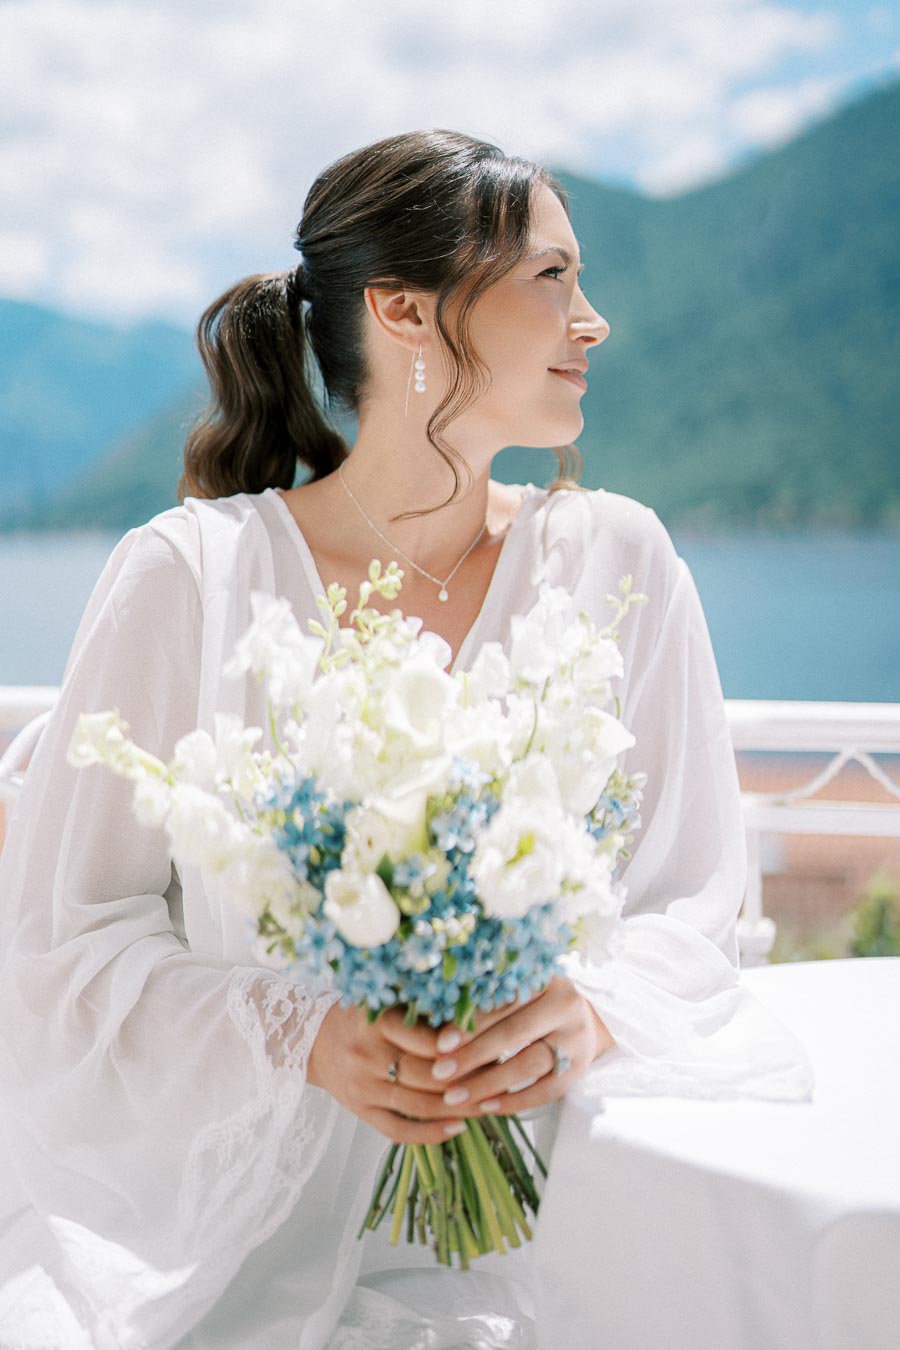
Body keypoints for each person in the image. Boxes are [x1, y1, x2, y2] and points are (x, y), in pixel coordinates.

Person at [0, 129, 811, 1349]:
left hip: (556, 1220)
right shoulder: (191, 579)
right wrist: (301, 1039)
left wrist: (585, 1010)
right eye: (553, 279)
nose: (594, 323)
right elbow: (63, 949)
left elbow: (693, 901)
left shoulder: (619, 560)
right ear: (403, 312)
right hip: (237, 1239)